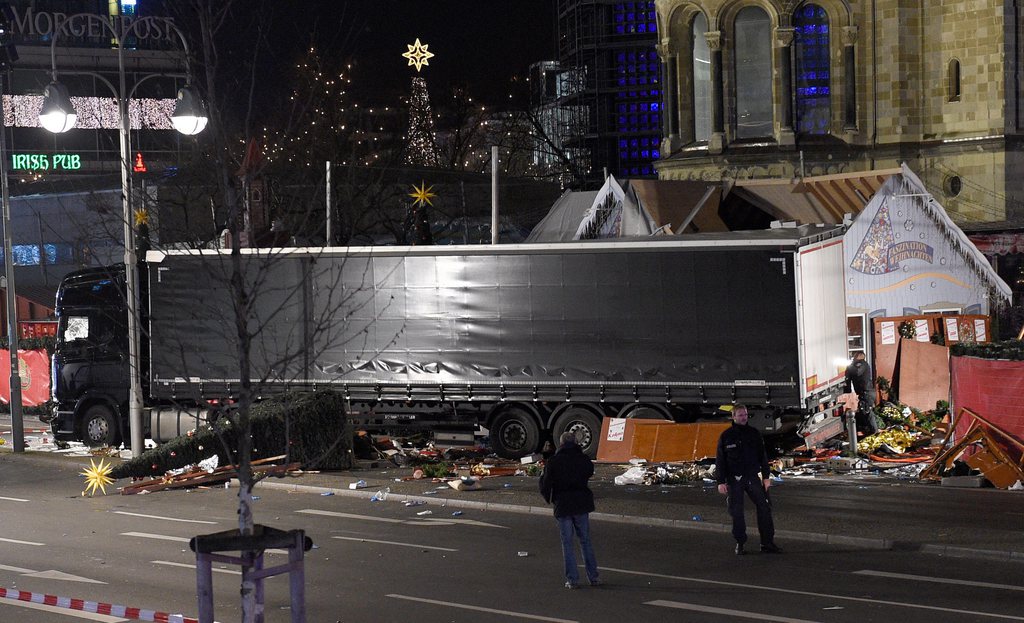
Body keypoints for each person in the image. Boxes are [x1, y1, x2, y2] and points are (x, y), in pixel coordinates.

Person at [715, 405, 781, 555]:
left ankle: (767, 543)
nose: (744, 417)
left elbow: (762, 457)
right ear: (734, 417)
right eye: (740, 415)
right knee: (737, 512)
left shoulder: (754, 434)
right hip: (734, 479)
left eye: (745, 414)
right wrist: (720, 481)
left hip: (752, 477)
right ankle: (740, 543)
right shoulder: (726, 436)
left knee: (764, 508)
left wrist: (766, 477)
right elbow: (721, 461)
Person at [539, 431, 600, 589]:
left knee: (567, 543)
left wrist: (549, 498)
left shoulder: (554, 461)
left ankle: (572, 579)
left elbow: (546, 484)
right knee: (585, 541)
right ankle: (593, 577)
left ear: (561, 444)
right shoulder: (583, 459)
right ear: (575, 443)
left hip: (563, 504)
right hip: (581, 503)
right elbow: (589, 471)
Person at [845, 352, 879, 435]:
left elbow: (857, 372)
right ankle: (868, 429)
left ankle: (874, 431)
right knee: (863, 411)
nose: (853, 358)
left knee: (866, 411)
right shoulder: (859, 364)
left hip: (867, 392)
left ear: (860, 357)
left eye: (855, 356)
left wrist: (850, 367)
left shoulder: (862, 364)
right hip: (865, 392)